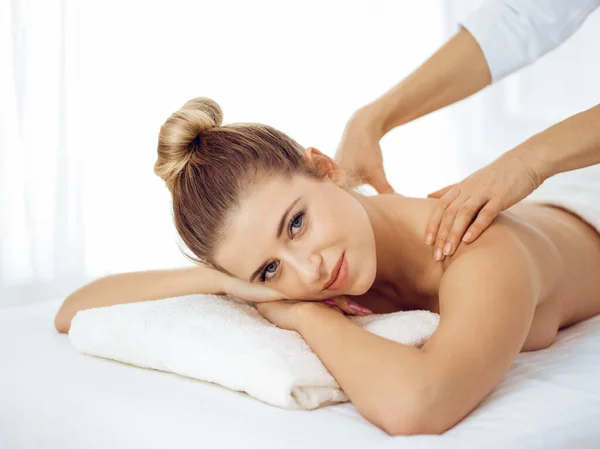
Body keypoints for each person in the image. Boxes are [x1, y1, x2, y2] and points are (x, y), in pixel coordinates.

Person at [54, 97, 600, 436]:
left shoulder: (482, 252)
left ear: (325, 168)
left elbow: (418, 406)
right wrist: (221, 281)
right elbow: (72, 311)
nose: (307, 270)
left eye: (296, 223)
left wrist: (307, 319)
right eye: (268, 270)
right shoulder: (315, 268)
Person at [335, 0, 600, 262]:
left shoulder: (483, 258)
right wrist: (370, 120)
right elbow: (524, 17)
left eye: (298, 222)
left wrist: (527, 163)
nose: (311, 268)